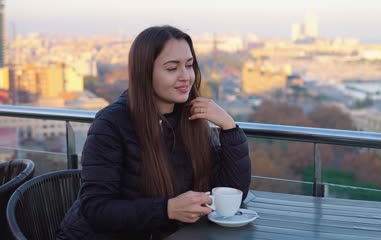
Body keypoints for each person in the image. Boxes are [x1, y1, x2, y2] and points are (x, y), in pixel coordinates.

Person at [57, 25, 251, 239]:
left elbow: (230, 197)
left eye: (189, 65)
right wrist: (167, 209)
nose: (186, 76)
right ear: (144, 73)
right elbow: (96, 209)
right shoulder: (111, 124)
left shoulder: (190, 120)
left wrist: (229, 127)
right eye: (171, 68)